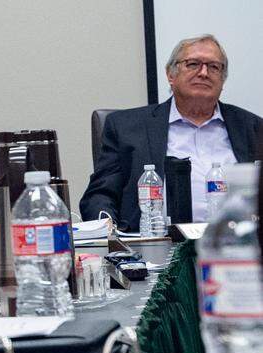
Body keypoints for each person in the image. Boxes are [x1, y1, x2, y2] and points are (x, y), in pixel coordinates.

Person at [80, 34, 262, 230]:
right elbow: (100, 195)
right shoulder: (126, 127)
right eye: (193, 64)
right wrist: (109, 231)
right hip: (154, 242)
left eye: (214, 67)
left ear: (222, 79)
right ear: (170, 75)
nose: (204, 73)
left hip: (235, 241)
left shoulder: (253, 128)